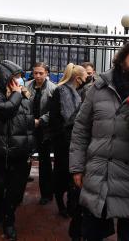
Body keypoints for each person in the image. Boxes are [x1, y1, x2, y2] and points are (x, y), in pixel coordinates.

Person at [69, 39, 129, 241]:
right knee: (91, 234)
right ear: (121, 60)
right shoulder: (98, 88)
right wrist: (77, 167)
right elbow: (81, 129)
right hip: (98, 177)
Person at [0, 60, 35, 241]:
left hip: (19, 152)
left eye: (21, 77)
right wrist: (16, 95)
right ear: (6, 78)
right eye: (16, 77)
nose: (21, 81)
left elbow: (28, 125)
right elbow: (4, 110)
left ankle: (9, 220)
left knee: (15, 191)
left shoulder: (25, 97)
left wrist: (30, 148)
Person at [49, 63, 87, 233]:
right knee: (60, 173)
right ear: (78, 78)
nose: (87, 79)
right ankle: (60, 204)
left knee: (72, 174)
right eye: (85, 76)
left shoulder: (75, 92)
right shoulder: (61, 91)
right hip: (63, 143)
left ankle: (71, 205)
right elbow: (57, 120)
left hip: (72, 142)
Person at [25, 62, 57, 205]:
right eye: (35, 73)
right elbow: (23, 105)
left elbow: (55, 111)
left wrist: (41, 121)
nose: (37, 76)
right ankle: (18, 192)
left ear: (47, 74)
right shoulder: (27, 86)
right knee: (24, 159)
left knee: (44, 163)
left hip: (44, 131)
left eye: (41, 73)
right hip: (29, 128)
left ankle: (47, 194)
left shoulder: (53, 89)